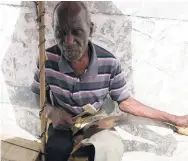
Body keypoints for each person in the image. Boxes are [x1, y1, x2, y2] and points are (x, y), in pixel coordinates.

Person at [31, 1, 188, 161]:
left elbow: (126, 102)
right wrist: (52, 112)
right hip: (61, 124)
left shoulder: (109, 62)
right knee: (56, 150)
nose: (69, 41)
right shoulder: (47, 60)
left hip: (93, 122)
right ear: (53, 31)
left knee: (110, 147)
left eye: (77, 31)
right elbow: (37, 94)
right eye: (61, 32)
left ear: (90, 29)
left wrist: (174, 119)